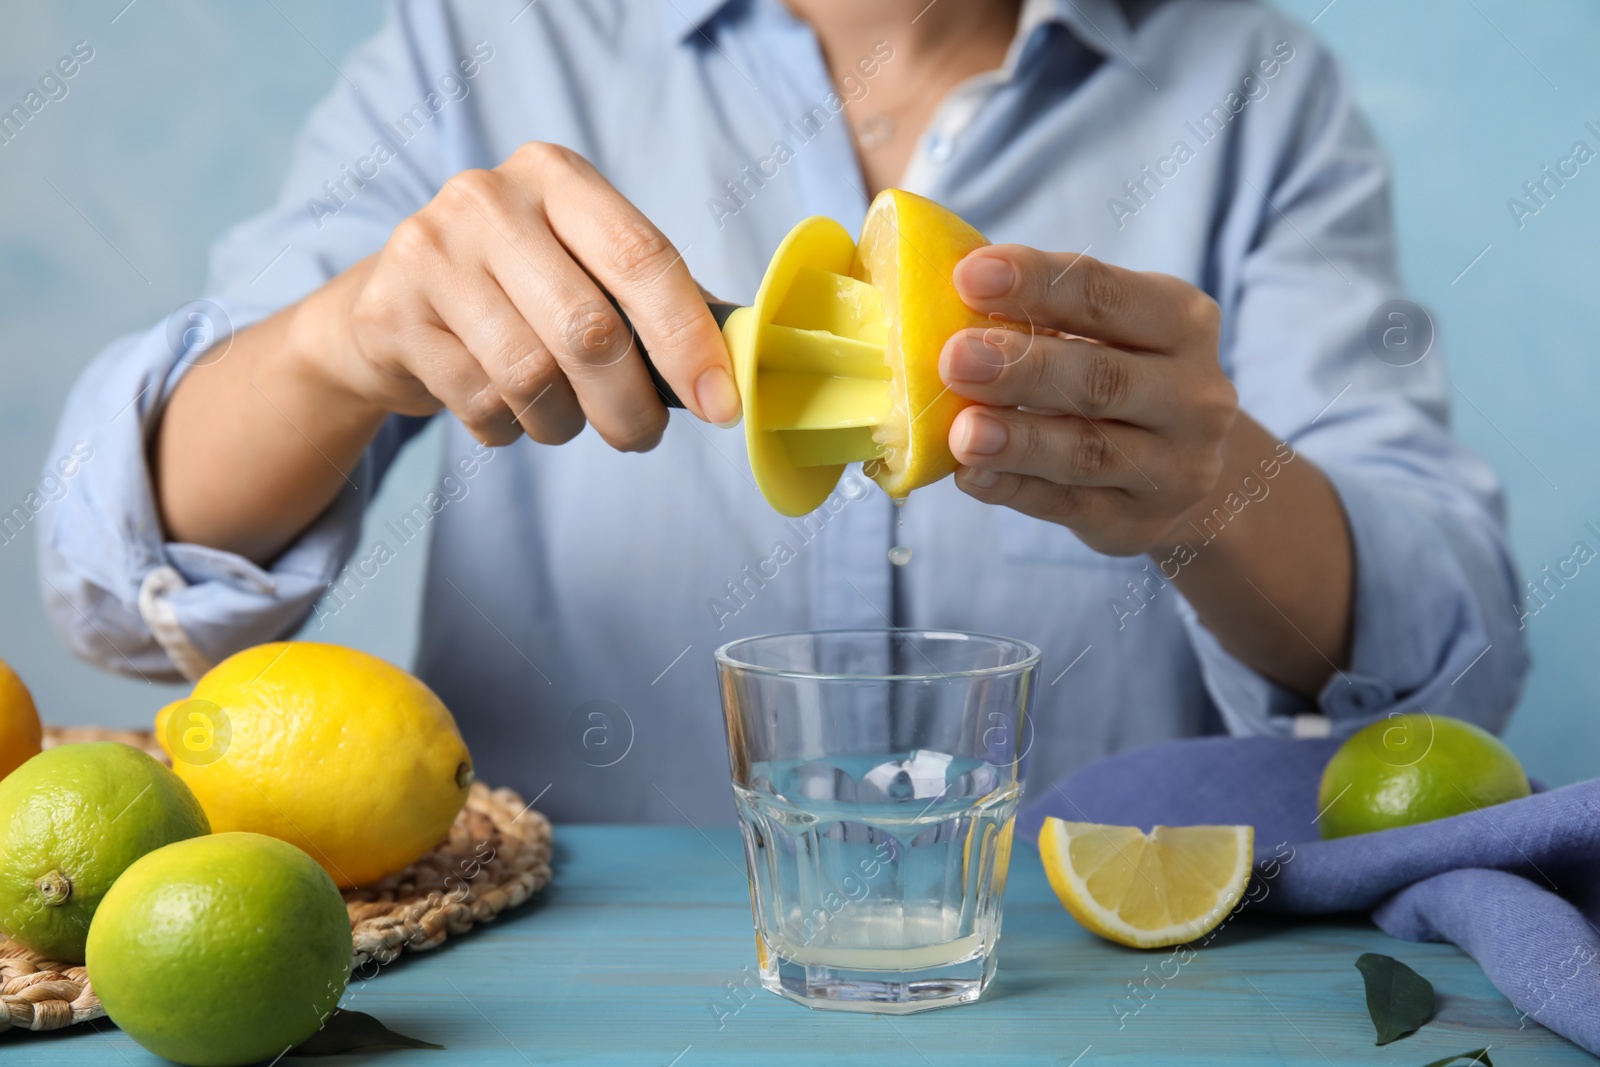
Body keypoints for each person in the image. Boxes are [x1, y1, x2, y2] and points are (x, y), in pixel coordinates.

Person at [39, 0, 1526, 824]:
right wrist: (342, 340)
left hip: (1080, 988)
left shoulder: (1257, 90)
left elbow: (1451, 669)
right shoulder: (479, 43)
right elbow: (120, 579)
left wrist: (1222, 493)